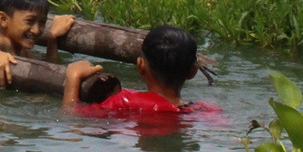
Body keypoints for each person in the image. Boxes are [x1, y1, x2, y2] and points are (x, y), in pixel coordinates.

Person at [62, 24, 210, 120]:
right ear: (193, 72)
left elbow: (72, 115)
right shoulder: (204, 110)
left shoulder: (124, 101)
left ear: (141, 65)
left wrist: (73, 78)